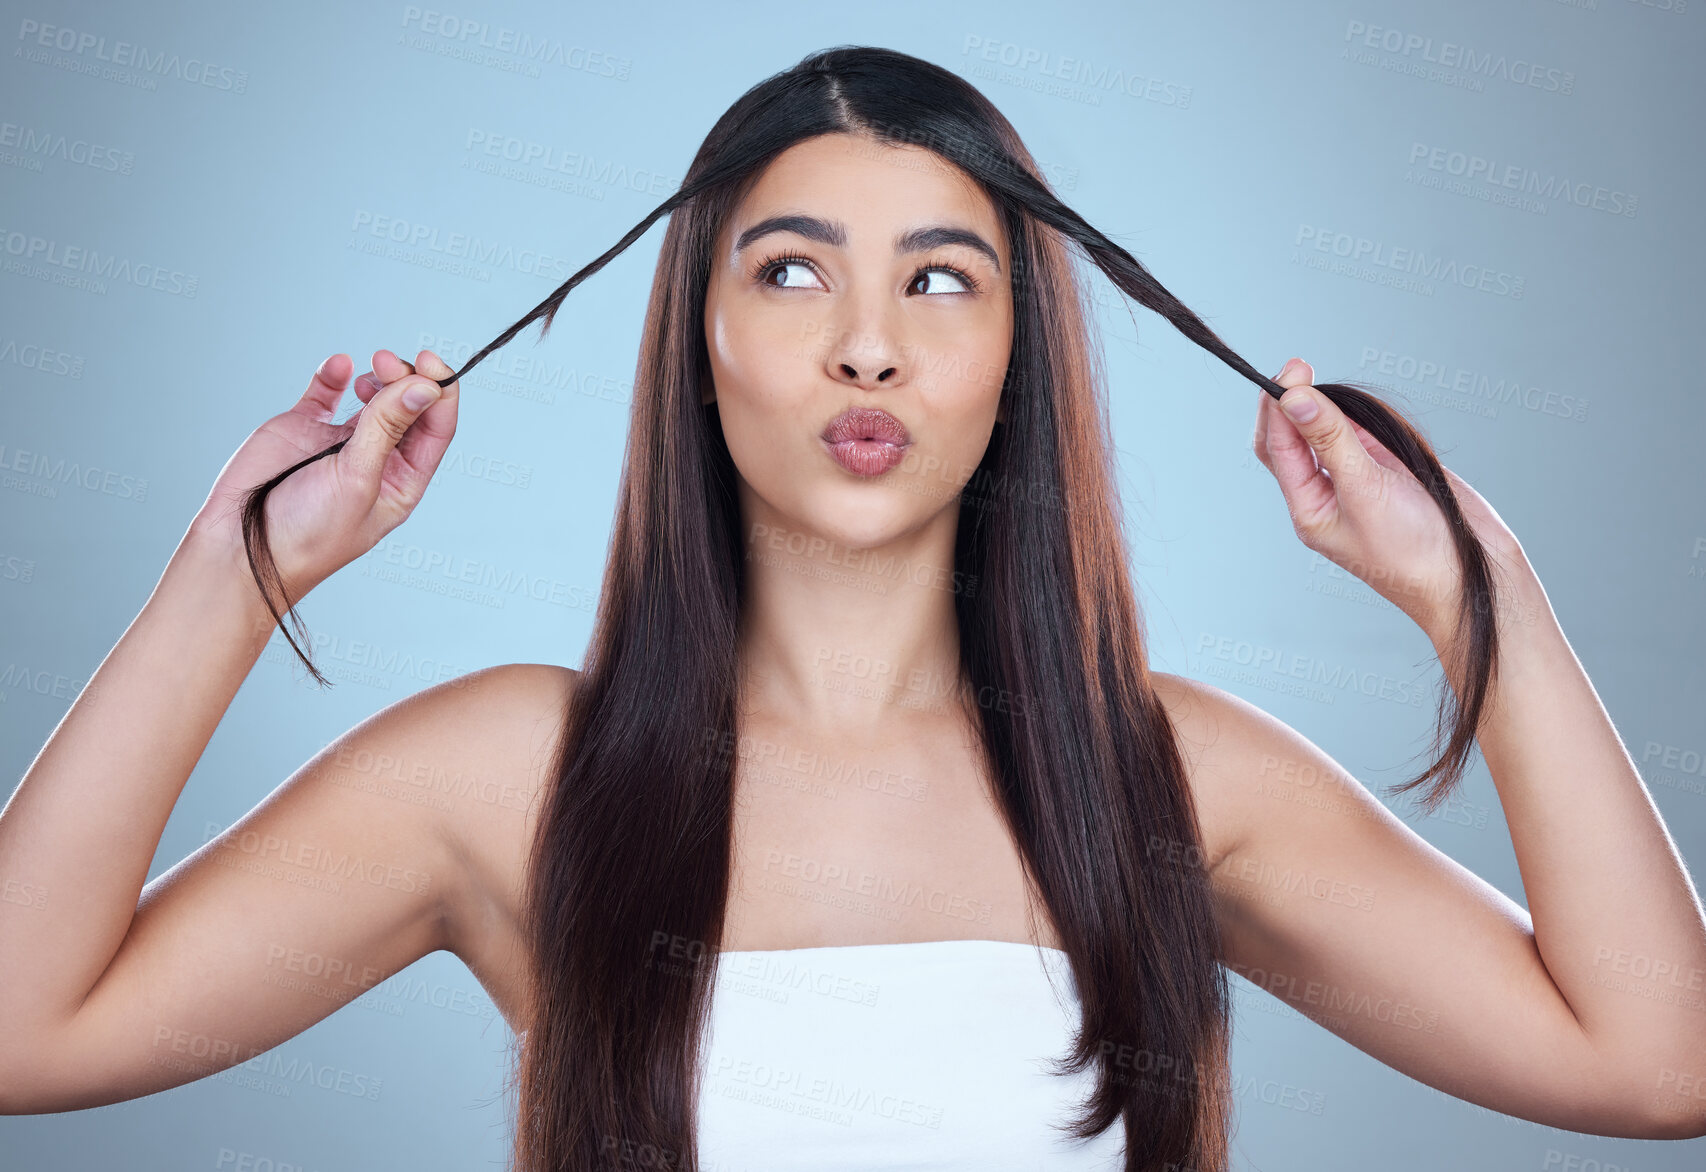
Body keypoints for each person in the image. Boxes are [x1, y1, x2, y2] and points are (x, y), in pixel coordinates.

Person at [3, 44, 1704, 1172]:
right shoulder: (509, 776)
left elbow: (1653, 1062)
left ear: (1017, 353)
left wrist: (1479, 591)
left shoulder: (1166, 781)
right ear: (700, 337)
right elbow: (22, 1032)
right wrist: (237, 567)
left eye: (941, 281)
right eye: (793, 269)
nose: (867, 343)